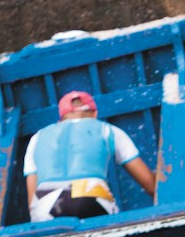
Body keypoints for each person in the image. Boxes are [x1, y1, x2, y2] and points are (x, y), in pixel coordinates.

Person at [24, 91, 156, 222]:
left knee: (40, 214)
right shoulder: (108, 130)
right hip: (91, 198)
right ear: (95, 114)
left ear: (61, 119)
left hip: (46, 203)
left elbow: (32, 200)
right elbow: (150, 185)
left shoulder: (37, 137)